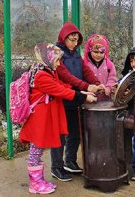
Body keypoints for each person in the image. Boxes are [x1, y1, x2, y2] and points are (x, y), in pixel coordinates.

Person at [19, 43, 96, 194]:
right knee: (35, 151)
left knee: (38, 151)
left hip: (44, 118)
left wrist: (83, 92)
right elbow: (60, 90)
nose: (59, 63)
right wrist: (83, 97)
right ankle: (35, 183)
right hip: (38, 121)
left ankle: (39, 180)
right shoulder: (41, 75)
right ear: (48, 59)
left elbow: (62, 85)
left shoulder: (47, 71)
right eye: (57, 60)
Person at [50, 22, 105, 182]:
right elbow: (65, 75)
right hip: (62, 100)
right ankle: (56, 167)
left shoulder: (75, 53)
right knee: (60, 136)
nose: (74, 43)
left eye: (77, 40)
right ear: (63, 37)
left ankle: (70, 162)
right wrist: (87, 86)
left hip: (76, 99)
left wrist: (96, 83)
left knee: (75, 133)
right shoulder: (56, 53)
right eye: (72, 40)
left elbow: (85, 70)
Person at [120, 47, 135, 181]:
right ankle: (128, 163)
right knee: (126, 140)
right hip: (128, 112)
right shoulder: (128, 76)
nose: (134, 64)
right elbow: (120, 87)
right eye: (131, 61)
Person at [83, 34, 118, 102]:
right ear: (90, 51)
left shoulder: (109, 64)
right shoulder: (85, 64)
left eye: (101, 52)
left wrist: (108, 88)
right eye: (95, 52)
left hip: (106, 100)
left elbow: (112, 78)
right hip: (89, 99)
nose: (98, 55)